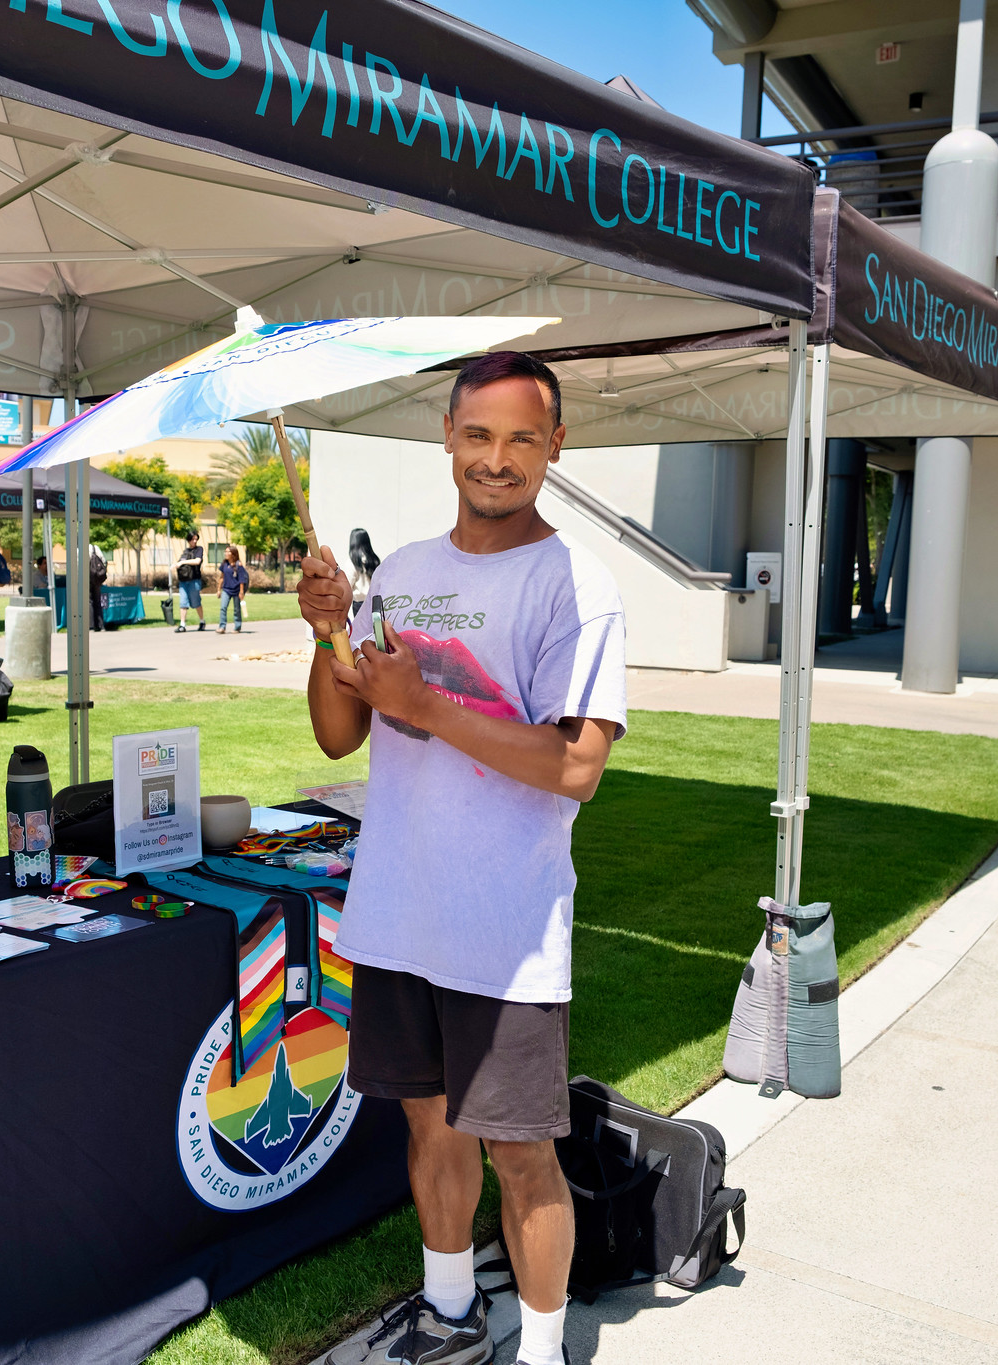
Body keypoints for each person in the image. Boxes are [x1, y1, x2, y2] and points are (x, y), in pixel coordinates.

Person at [301, 351, 626, 1365]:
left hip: (505, 930)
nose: (498, 459)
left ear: (554, 447)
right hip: (400, 912)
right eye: (478, 435)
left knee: (523, 1156)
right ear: (446, 437)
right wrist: (325, 634)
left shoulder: (574, 582)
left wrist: (430, 706)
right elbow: (338, 736)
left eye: (522, 438)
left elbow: (576, 765)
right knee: (429, 1131)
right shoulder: (399, 572)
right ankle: (448, 1311)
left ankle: (537, 1350)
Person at [174, 532, 205, 632]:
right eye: (192, 539)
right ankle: (182, 625)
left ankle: (202, 621)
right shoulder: (185, 551)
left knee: (196, 602)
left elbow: (197, 561)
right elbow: (179, 563)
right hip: (184, 581)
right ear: (188, 540)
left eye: (196, 539)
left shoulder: (199, 549)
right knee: (183, 602)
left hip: (194, 580)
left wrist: (182, 562)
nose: (194, 541)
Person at [217, 546, 249, 633]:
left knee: (236, 609)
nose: (226, 553)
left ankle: (237, 627)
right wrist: (219, 589)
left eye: (228, 552)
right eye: (225, 551)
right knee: (223, 607)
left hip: (236, 590)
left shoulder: (239, 565)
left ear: (233, 554)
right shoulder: (224, 564)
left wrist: (241, 592)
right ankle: (222, 627)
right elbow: (221, 577)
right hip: (226, 590)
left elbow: (242, 580)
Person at [87, 540, 108, 632]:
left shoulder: (78, 550)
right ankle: (100, 625)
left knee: (89, 601)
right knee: (97, 601)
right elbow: (104, 561)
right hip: (97, 578)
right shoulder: (95, 548)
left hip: (87, 578)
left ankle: (91, 626)